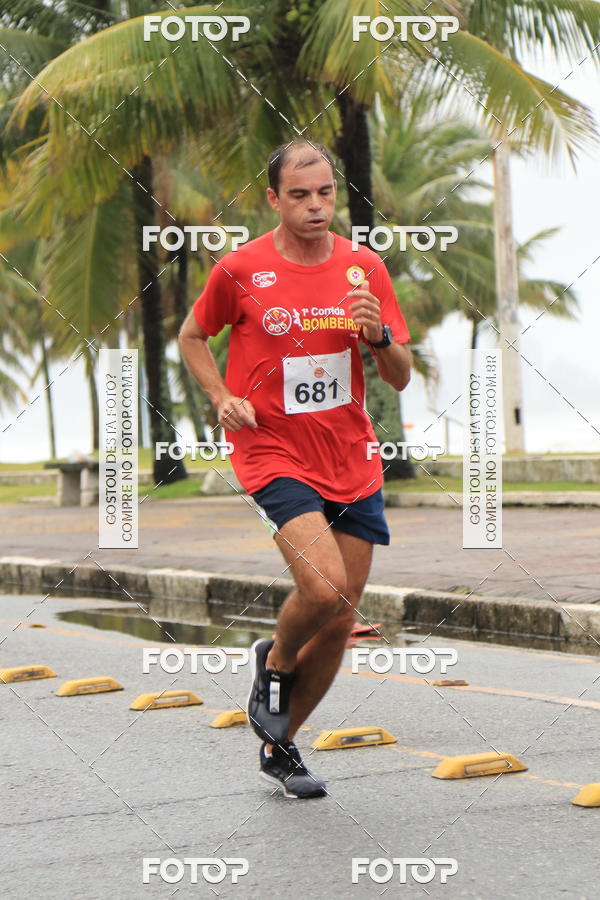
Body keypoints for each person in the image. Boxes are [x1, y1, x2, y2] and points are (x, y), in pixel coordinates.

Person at [179, 140, 411, 799]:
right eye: (300, 195)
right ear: (273, 199)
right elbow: (192, 336)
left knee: (339, 618)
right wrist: (221, 396)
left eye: (326, 193)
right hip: (273, 450)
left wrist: (378, 336)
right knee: (324, 587)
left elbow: (399, 376)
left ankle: (280, 746)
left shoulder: (365, 269)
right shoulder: (241, 269)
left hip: (351, 456)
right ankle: (276, 661)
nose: (316, 205)